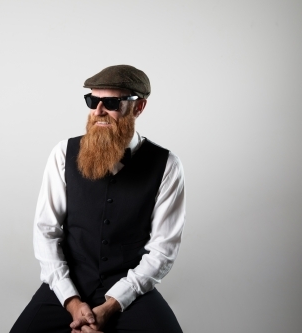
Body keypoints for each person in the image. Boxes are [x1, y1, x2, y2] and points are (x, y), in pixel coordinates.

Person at [10, 65, 185, 333]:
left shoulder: (167, 165)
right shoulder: (62, 153)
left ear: (139, 107)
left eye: (112, 102)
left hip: (129, 286)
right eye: (93, 101)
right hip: (68, 283)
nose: (99, 111)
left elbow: (163, 251)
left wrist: (113, 303)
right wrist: (71, 301)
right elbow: (46, 231)